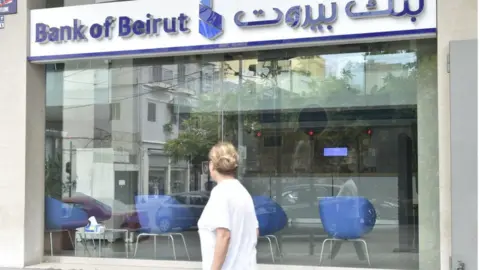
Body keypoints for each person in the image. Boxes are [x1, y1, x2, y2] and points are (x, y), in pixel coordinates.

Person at [198, 142, 258, 270]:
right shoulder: (243, 192)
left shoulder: (220, 193)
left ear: (212, 165)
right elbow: (255, 231)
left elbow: (224, 235)